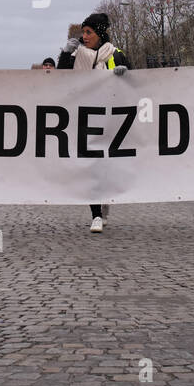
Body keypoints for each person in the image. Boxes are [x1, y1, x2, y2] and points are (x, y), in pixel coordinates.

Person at [57, 12, 129, 233]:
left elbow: (135, 82)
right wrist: (66, 54)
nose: (84, 36)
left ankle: (103, 201)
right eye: (83, 32)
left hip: (111, 118)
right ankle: (95, 214)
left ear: (100, 33)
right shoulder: (76, 54)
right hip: (85, 117)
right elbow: (59, 79)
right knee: (92, 166)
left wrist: (124, 74)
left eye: (88, 32)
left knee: (107, 167)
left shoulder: (116, 54)